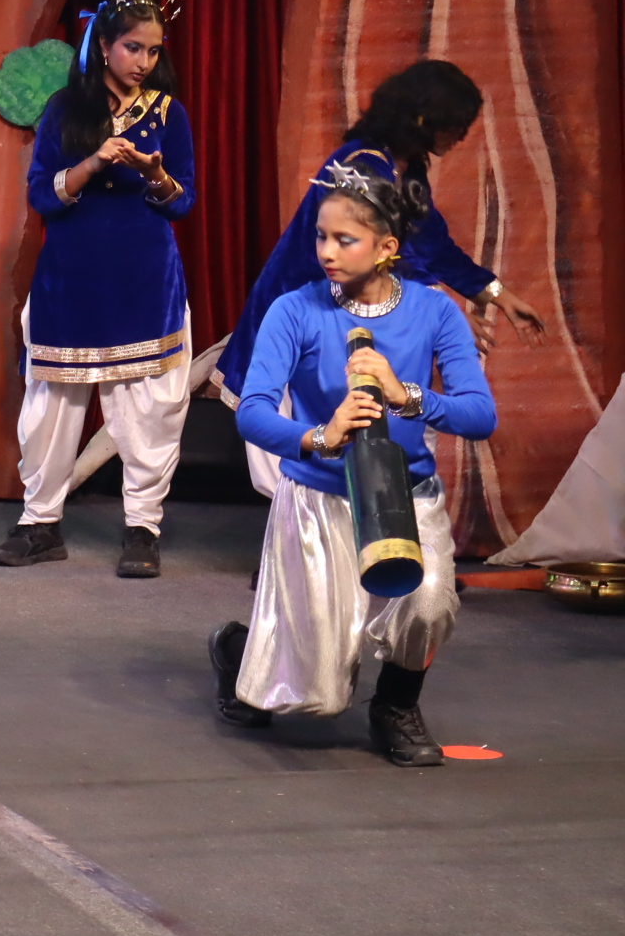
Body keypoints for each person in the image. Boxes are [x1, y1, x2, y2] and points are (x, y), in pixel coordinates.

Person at [212, 164, 495, 766]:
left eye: (345, 240)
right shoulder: (294, 310)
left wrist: (408, 395)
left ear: (387, 248)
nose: (326, 252)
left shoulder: (435, 311)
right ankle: (240, 650)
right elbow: (252, 412)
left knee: (430, 600)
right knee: (316, 695)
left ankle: (396, 704)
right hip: (319, 497)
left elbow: (479, 415)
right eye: (321, 236)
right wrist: (321, 435)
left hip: (407, 494)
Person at [214, 60, 546, 497]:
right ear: (426, 118)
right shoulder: (363, 164)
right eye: (457, 125)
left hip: (359, 317)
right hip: (313, 320)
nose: (461, 137)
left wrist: (498, 294)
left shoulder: (407, 169)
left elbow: (431, 245)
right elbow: (386, 254)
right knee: (298, 469)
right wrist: (436, 306)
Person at [0, 0, 197, 578]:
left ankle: (143, 528)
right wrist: (93, 162)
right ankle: (39, 523)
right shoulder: (65, 110)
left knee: (149, 409)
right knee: (51, 407)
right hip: (72, 281)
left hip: (144, 281)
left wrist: (155, 174)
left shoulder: (169, 113)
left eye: (154, 51)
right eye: (134, 48)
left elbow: (183, 202)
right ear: (104, 45)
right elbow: (41, 195)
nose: (144, 61)